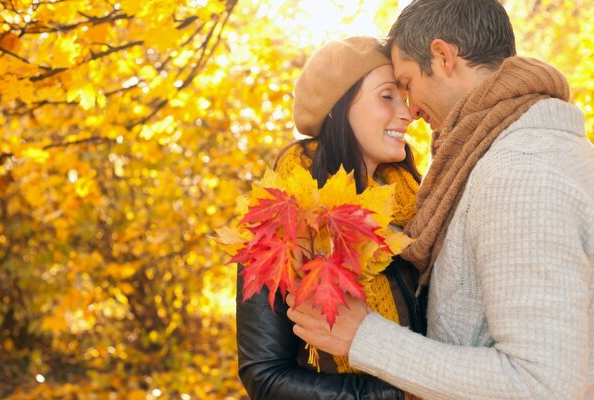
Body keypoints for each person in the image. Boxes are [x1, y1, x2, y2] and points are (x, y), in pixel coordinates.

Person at [286, 1, 594, 399]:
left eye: (408, 84)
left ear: (443, 56)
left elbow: (546, 385)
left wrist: (366, 339)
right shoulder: (534, 151)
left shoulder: (520, 172)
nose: (410, 109)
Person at [236, 36, 426, 400]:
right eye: (387, 96)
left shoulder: (419, 210)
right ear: (337, 109)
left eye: (404, 96)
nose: (407, 112)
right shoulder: (285, 223)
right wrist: (399, 395)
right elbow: (266, 376)